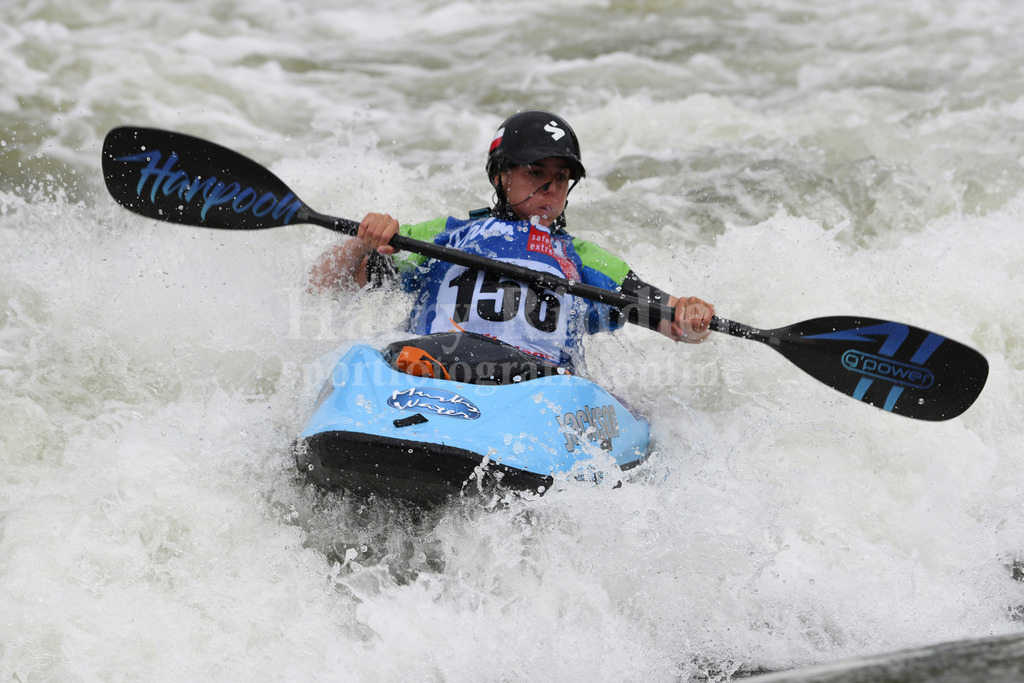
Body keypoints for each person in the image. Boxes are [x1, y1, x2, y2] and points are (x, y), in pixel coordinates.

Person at [309, 110, 714, 373]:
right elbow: (326, 283)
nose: (550, 188)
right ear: (502, 176)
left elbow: (676, 325)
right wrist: (362, 242)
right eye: (536, 172)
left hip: (534, 388)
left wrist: (690, 313)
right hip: (433, 370)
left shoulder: (584, 259)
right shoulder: (445, 235)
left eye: (560, 178)